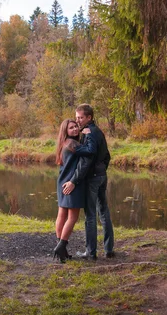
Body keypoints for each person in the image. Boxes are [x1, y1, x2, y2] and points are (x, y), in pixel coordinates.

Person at [62, 103, 114, 260]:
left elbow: (86, 160)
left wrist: (74, 180)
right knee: (104, 212)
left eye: (80, 117)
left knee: (91, 215)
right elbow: (107, 156)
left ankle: (90, 253)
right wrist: (102, 170)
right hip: (101, 176)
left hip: (92, 178)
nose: (77, 120)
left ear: (89, 118)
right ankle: (108, 250)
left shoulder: (89, 132)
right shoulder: (98, 131)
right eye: (76, 117)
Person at [52, 119, 88, 263]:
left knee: (61, 214)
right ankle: (61, 246)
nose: (74, 129)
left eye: (76, 127)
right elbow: (90, 151)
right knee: (72, 217)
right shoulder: (74, 144)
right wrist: (87, 135)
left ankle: (62, 248)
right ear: (65, 131)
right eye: (71, 128)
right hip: (71, 183)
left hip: (62, 181)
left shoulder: (64, 143)